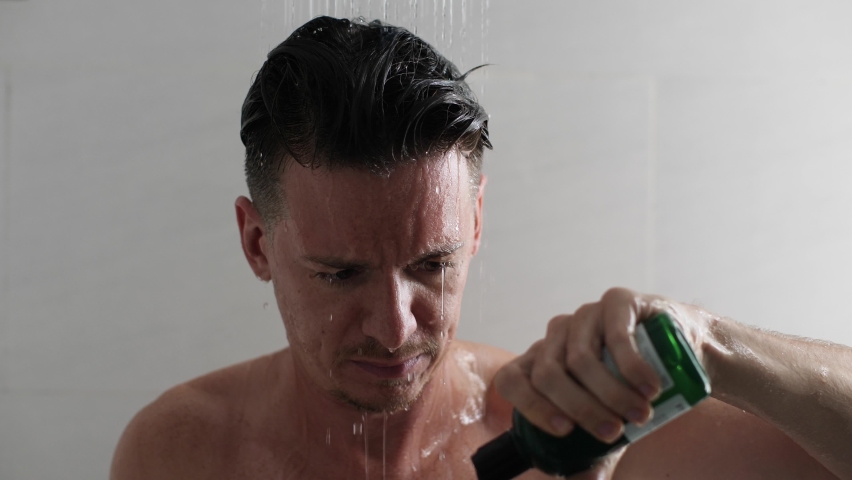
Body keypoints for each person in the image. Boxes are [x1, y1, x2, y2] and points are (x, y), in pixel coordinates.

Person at [110, 16, 852, 479]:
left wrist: (710, 344)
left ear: (474, 224)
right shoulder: (182, 452)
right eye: (340, 274)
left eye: (431, 265)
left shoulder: (574, 435)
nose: (395, 326)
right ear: (256, 242)